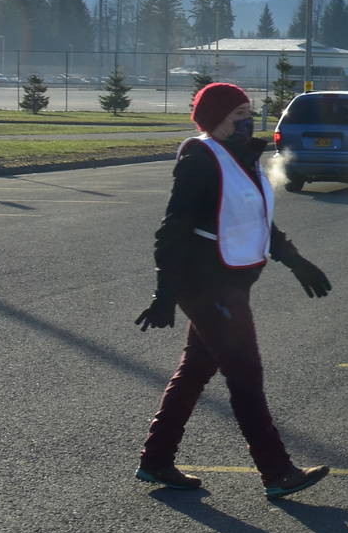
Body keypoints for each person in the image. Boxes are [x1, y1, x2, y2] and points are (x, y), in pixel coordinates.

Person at [135, 83, 333, 500]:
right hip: (206, 285)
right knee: (245, 373)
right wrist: (165, 292)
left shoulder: (241, 158)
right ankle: (276, 471)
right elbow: (172, 230)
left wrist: (296, 261)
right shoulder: (200, 157)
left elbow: (258, 221)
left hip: (233, 281)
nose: (249, 117)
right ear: (218, 117)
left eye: (250, 109)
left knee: (195, 371)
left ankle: (156, 460)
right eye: (240, 111)